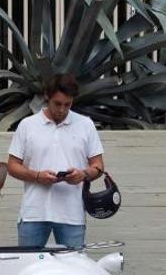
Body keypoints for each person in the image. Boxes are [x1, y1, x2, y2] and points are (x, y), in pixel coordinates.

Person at [6, 74, 105, 249]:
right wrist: (37, 176)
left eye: (67, 104)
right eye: (57, 104)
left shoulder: (85, 124)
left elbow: (98, 166)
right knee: (28, 271)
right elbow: (12, 166)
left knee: (73, 272)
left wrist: (82, 175)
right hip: (34, 213)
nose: (62, 109)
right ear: (47, 97)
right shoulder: (27, 125)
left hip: (72, 214)